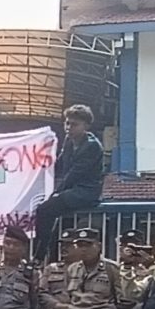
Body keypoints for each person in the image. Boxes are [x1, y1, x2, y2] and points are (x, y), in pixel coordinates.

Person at [32, 102, 106, 251]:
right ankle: (47, 251)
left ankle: (39, 252)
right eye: (67, 123)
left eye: (74, 124)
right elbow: (59, 165)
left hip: (86, 192)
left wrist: (55, 193)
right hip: (72, 191)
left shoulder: (92, 146)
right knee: (53, 215)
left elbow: (74, 174)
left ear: (86, 126)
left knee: (44, 210)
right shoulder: (68, 141)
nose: (68, 128)